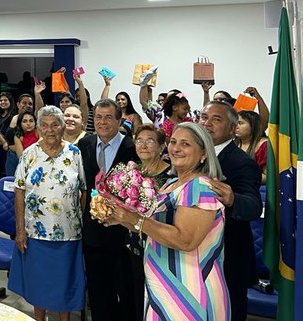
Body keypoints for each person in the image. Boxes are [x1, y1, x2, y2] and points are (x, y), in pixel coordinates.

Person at [101, 122, 229, 320]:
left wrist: (135, 218)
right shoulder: (172, 183)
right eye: (174, 142)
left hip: (189, 291)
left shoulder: (200, 187)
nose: (176, 148)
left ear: (203, 153)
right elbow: (153, 228)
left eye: (185, 144)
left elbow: (185, 240)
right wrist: (121, 218)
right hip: (162, 286)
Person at [9, 105, 86, 321]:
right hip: (36, 232)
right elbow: (19, 192)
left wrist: (79, 220)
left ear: (62, 127)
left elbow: (83, 189)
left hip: (68, 232)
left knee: (64, 283)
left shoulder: (74, 153)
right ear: (39, 129)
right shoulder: (29, 154)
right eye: (45, 125)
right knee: (39, 283)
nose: (50, 129)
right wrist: (20, 231)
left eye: (55, 125)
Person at [199, 101, 262, 321]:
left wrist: (233, 199)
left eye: (216, 119)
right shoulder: (191, 155)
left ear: (232, 128)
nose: (207, 123)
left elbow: (253, 206)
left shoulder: (241, 162)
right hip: (194, 255)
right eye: (204, 117)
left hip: (229, 258)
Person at [77, 98, 138, 321]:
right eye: (98, 117)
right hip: (92, 232)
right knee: (98, 292)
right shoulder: (85, 144)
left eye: (108, 117)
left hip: (122, 234)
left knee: (126, 292)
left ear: (119, 120)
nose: (102, 122)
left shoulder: (132, 148)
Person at [128, 124, 170, 321]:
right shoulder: (133, 172)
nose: (143, 145)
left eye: (150, 141)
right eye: (139, 141)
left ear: (161, 147)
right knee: (137, 298)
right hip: (135, 244)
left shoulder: (171, 176)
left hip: (160, 247)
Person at [235, 110, 268, 184]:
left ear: (253, 126)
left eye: (240, 123)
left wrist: (241, 177)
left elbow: (268, 177)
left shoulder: (264, 145)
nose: (236, 126)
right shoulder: (233, 143)